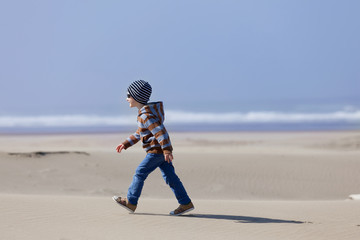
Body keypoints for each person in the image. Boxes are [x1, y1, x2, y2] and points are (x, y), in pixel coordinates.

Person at [113, 80, 194, 216]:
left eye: (129, 95)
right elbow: (140, 133)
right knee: (171, 177)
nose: (126, 99)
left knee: (140, 172)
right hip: (160, 152)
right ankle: (185, 203)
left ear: (137, 97)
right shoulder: (145, 114)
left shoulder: (146, 116)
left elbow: (160, 132)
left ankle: (131, 202)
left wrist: (167, 150)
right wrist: (126, 143)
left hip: (156, 152)